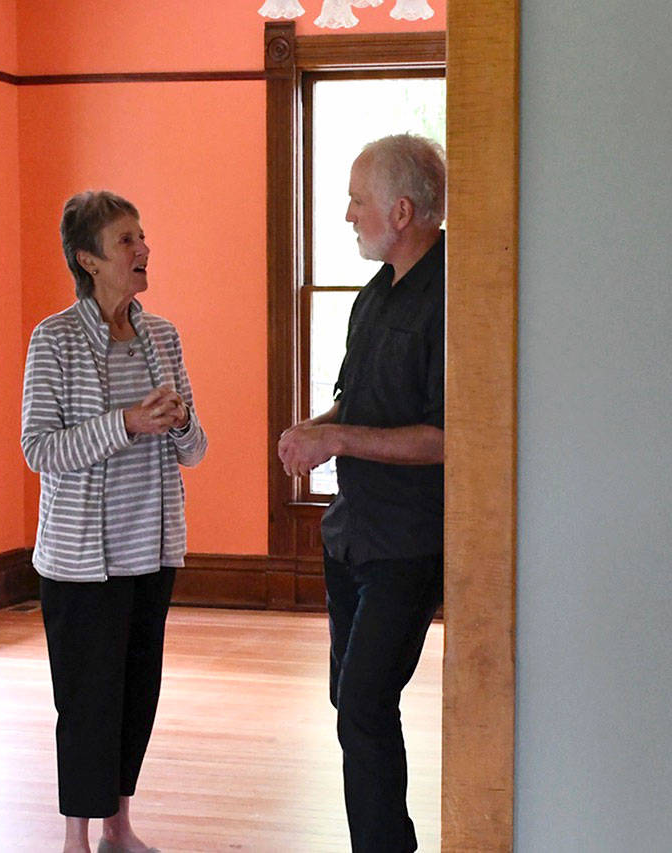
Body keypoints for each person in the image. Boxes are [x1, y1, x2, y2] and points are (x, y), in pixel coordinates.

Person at [21, 190, 206, 853]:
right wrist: (125, 424)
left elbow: (195, 449)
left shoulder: (162, 336)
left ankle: (118, 830)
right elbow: (40, 449)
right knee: (86, 704)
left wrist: (180, 420)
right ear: (88, 259)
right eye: (126, 240)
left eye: (142, 236)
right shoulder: (54, 339)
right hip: (79, 564)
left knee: (135, 698)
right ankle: (75, 839)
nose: (143, 249)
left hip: (152, 553)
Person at [277, 134, 446, 853]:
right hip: (351, 537)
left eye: (355, 200)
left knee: (365, 705)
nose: (346, 215)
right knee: (352, 703)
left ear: (401, 211)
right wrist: (311, 429)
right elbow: (356, 407)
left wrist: (336, 441)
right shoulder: (374, 296)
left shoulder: (453, 298)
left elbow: (448, 437)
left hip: (409, 543)